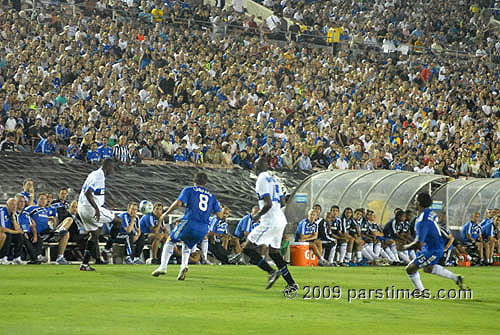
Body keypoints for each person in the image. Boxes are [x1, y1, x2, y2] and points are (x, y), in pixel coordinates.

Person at [243, 157, 298, 294]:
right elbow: (283, 202)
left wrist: (257, 216)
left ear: (258, 167)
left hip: (270, 219)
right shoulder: (274, 179)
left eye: (255, 166)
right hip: (280, 218)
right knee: (274, 253)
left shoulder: (261, 179)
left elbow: (267, 204)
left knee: (248, 248)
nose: (254, 168)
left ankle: (271, 272)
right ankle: (291, 283)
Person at [152, 172, 222, 280]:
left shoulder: (189, 190)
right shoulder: (212, 197)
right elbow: (219, 215)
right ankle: (184, 266)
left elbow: (179, 203)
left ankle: (163, 266)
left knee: (171, 240)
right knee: (187, 244)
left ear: (194, 181)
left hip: (189, 222)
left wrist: (166, 213)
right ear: (206, 183)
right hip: (203, 228)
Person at [404, 193, 464, 293]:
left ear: (419, 203)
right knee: (428, 268)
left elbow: (419, 242)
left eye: (415, 200)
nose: (414, 202)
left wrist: (404, 247)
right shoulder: (430, 213)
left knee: (410, 269)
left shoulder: (422, 220)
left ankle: (422, 291)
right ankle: (456, 278)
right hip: (432, 247)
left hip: (432, 249)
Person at [77, 159, 122, 271]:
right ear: (107, 166)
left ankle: (84, 264)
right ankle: (106, 249)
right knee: (118, 221)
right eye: (112, 167)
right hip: (91, 209)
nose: (113, 170)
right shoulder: (99, 176)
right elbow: (88, 193)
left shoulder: (93, 173)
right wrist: (97, 209)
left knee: (94, 235)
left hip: (82, 208)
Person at [24, 193, 72, 264]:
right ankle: (57, 233)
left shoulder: (45, 211)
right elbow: (24, 217)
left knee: (69, 221)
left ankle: (60, 257)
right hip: (39, 233)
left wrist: (51, 218)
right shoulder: (31, 208)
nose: (43, 201)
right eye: (41, 199)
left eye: (45, 199)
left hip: (49, 232)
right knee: (65, 232)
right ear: (37, 200)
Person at [0, 198, 24, 264]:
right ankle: (3, 257)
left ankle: (17, 257)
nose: (14, 206)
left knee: (20, 236)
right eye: (12, 204)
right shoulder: (2, 212)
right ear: (7, 205)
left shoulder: (15, 213)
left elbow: (17, 228)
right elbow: (3, 229)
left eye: (15, 205)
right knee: (8, 236)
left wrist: (13, 217)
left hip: (10, 232)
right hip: (2, 233)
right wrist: (16, 232)